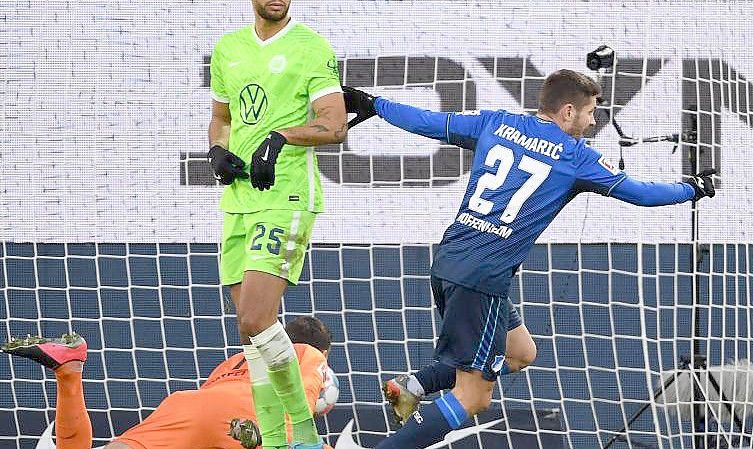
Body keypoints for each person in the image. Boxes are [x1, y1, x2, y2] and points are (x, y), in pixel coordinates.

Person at [342, 69, 716, 449]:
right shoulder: (576, 156)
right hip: (483, 279)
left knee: (520, 352)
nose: (591, 123)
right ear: (568, 111)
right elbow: (640, 193)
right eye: (590, 114)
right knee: (475, 397)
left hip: (450, 261)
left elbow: (430, 122)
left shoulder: (495, 123)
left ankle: (415, 384)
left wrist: (375, 105)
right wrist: (693, 188)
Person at [206, 0, 347, 447]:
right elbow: (221, 118)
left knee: (255, 317)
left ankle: (303, 435)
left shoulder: (311, 47)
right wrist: (216, 150)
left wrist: (281, 136)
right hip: (238, 201)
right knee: (252, 333)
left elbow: (335, 125)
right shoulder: (228, 48)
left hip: (286, 197)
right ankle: (275, 440)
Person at [1, 316, 336, 449]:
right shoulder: (309, 355)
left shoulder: (236, 359)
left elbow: (210, 409)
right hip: (251, 421)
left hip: (188, 406)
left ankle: (69, 372)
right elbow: (303, 404)